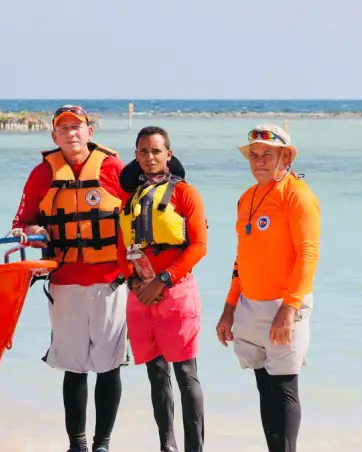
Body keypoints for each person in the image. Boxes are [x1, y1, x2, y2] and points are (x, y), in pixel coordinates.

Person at [10, 105, 130, 452]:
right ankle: (77, 444)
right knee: (74, 368)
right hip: (64, 283)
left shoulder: (113, 168)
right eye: (63, 129)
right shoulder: (42, 173)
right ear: (54, 136)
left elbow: (137, 218)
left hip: (110, 281)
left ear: (90, 132)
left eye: (76, 127)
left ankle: (102, 444)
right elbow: (21, 223)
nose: (70, 133)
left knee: (109, 365)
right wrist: (32, 233)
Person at [215, 124, 321, 452]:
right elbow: (242, 258)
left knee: (284, 389)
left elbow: (308, 255)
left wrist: (289, 309)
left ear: (285, 158)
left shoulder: (298, 195)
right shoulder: (247, 198)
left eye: (267, 155)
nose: (259, 161)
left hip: (285, 306)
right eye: (254, 155)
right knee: (264, 388)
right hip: (250, 305)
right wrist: (229, 308)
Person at [116, 126, 208, 452]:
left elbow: (199, 246)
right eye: (143, 151)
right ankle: (166, 446)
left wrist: (162, 280)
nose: (150, 157)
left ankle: (194, 448)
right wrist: (133, 282)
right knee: (156, 376)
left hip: (176, 292)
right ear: (136, 156)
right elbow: (122, 249)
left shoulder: (185, 193)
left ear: (168, 154)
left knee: (186, 375)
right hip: (140, 296)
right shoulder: (128, 200)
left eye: (156, 151)